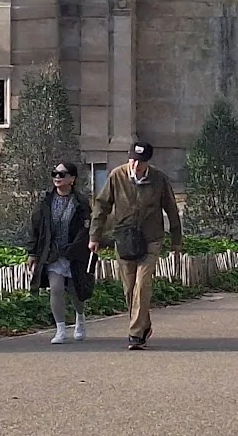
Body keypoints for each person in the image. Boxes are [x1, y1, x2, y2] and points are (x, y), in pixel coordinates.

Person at [90, 141, 183, 350]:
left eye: (140, 162)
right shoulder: (117, 176)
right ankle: (144, 325)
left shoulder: (158, 179)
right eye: (132, 160)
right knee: (129, 289)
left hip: (151, 238)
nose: (135, 165)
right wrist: (94, 236)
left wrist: (176, 240)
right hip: (124, 239)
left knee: (142, 284)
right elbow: (101, 206)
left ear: (147, 163)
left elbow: (171, 208)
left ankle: (135, 334)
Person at [26, 161, 93, 345]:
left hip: (75, 253)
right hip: (53, 253)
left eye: (62, 174)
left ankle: (80, 317)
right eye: (54, 173)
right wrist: (32, 253)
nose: (57, 177)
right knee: (55, 289)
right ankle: (60, 328)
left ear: (72, 179)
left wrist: (76, 247)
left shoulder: (81, 202)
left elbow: (86, 228)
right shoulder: (46, 202)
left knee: (75, 291)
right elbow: (36, 228)